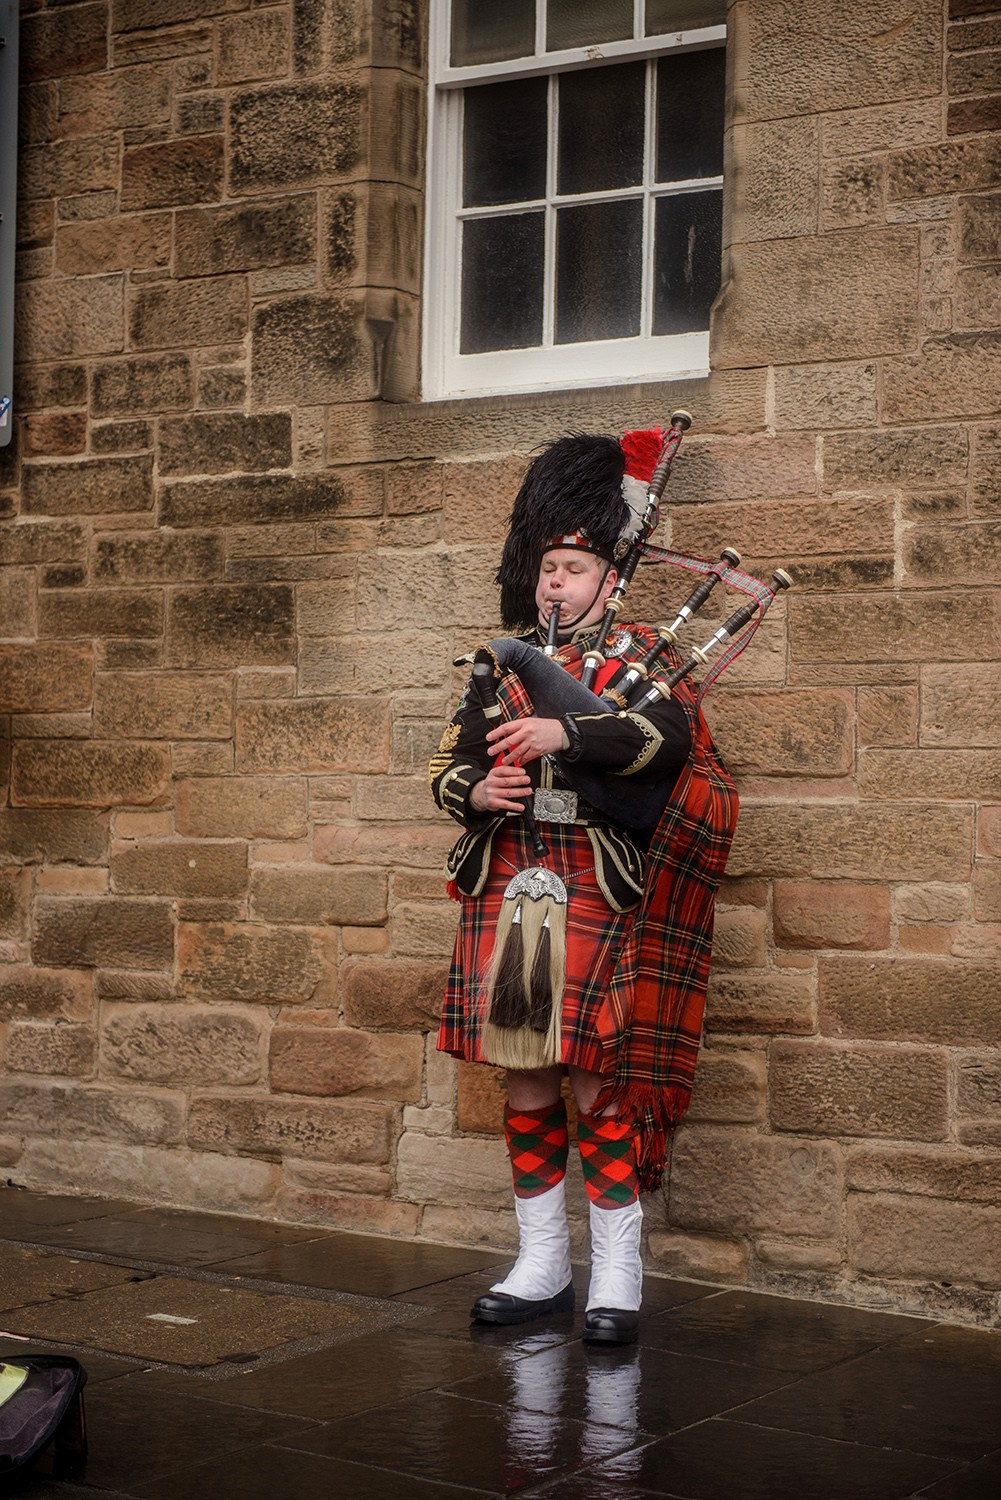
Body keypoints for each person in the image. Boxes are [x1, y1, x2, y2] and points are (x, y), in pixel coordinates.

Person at [429, 430, 737, 1345]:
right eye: (546, 566)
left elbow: (663, 746)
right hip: (516, 887)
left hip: (599, 889)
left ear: (610, 577)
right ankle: (541, 1266)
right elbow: (449, 768)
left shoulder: (645, 660)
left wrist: (567, 737)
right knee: (527, 1080)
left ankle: (616, 1274)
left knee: (600, 1084)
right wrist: (477, 790)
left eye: (571, 565)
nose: (553, 580)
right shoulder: (500, 661)